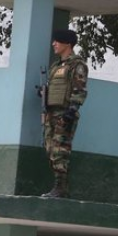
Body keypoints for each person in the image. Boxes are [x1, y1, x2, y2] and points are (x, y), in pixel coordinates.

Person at [41, 29, 89, 198]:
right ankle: (60, 186)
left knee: (60, 151)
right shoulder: (55, 66)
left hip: (65, 114)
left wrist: (72, 110)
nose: (53, 44)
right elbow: (55, 88)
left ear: (67, 43)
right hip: (51, 114)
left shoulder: (77, 65)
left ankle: (61, 188)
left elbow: (79, 90)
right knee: (50, 149)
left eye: (57, 40)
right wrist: (44, 93)